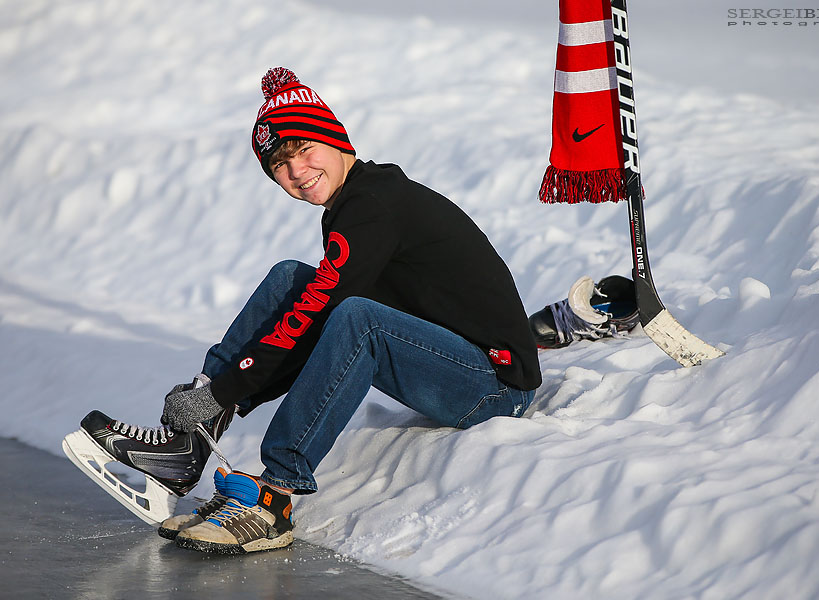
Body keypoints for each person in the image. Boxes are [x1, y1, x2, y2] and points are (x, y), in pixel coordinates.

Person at [73, 67, 542, 554]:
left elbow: (319, 314)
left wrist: (229, 389)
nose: (296, 171)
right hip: (447, 359)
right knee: (290, 279)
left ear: (335, 138)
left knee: (357, 320)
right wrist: (219, 392)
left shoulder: (372, 206)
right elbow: (310, 310)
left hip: (494, 387)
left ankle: (275, 497)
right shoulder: (356, 202)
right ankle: (187, 444)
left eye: (303, 149)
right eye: (280, 164)